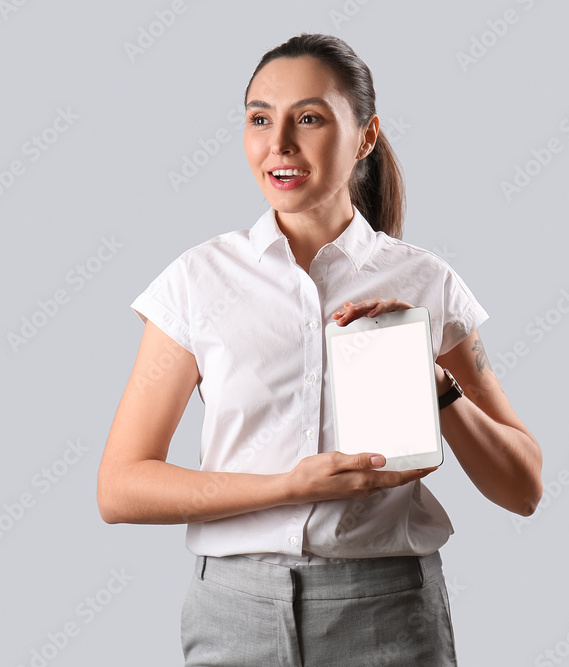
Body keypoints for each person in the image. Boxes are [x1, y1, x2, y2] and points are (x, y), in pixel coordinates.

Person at [97, 32, 543, 666]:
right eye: (259, 119)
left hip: (388, 612)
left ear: (365, 136)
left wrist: (438, 389)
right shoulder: (197, 282)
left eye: (308, 118)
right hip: (232, 615)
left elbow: (522, 488)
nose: (278, 144)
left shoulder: (426, 282)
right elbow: (120, 488)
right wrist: (286, 487)